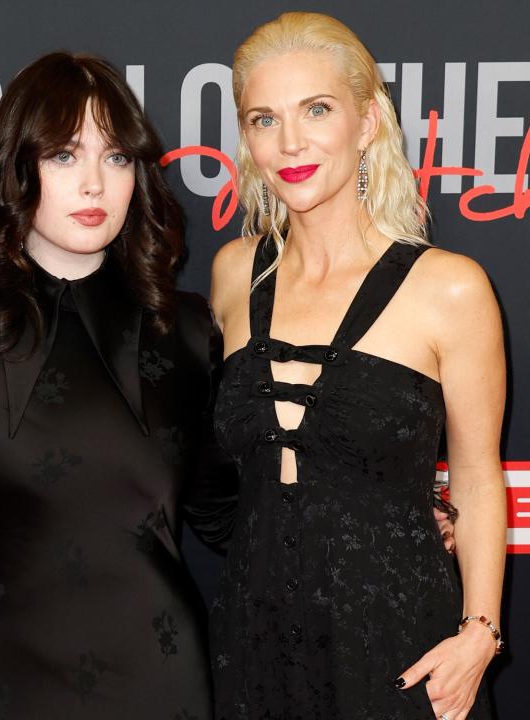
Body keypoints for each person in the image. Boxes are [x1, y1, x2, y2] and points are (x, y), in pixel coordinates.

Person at [0, 51, 235, 720]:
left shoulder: (187, 330)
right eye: (65, 156)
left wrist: (371, 511)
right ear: (19, 169)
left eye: (116, 158)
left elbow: (225, 516)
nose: (95, 185)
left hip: (160, 681)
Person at [208, 12, 506, 720]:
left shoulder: (450, 287)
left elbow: (476, 476)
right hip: (252, 641)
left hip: (399, 646)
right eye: (263, 119)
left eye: (317, 109)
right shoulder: (231, 275)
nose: (291, 143)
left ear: (368, 120)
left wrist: (480, 632)